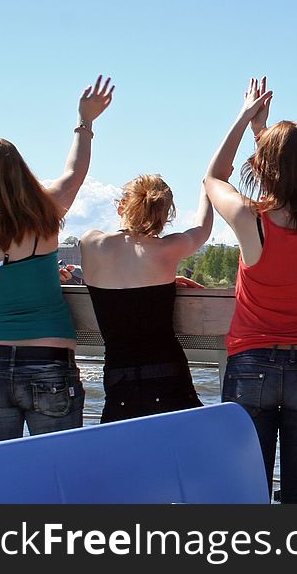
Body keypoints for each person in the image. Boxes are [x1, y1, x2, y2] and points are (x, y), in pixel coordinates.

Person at [0, 75, 114, 445]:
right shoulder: (44, 215)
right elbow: (74, 173)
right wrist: (85, 122)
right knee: (58, 476)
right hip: (49, 362)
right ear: (19, 171)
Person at [204, 76, 297, 504]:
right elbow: (294, 185)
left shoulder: (252, 219)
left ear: (263, 165)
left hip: (250, 366)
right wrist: (264, 135)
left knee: (247, 494)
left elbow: (214, 176)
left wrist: (247, 118)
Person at [79, 174, 213, 423]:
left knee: (126, 453)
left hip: (120, 375)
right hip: (168, 369)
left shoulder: (90, 243)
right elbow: (203, 229)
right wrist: (208, 187)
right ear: (164, 216)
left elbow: (126, 278)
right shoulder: (166, 250)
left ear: (122, 205)